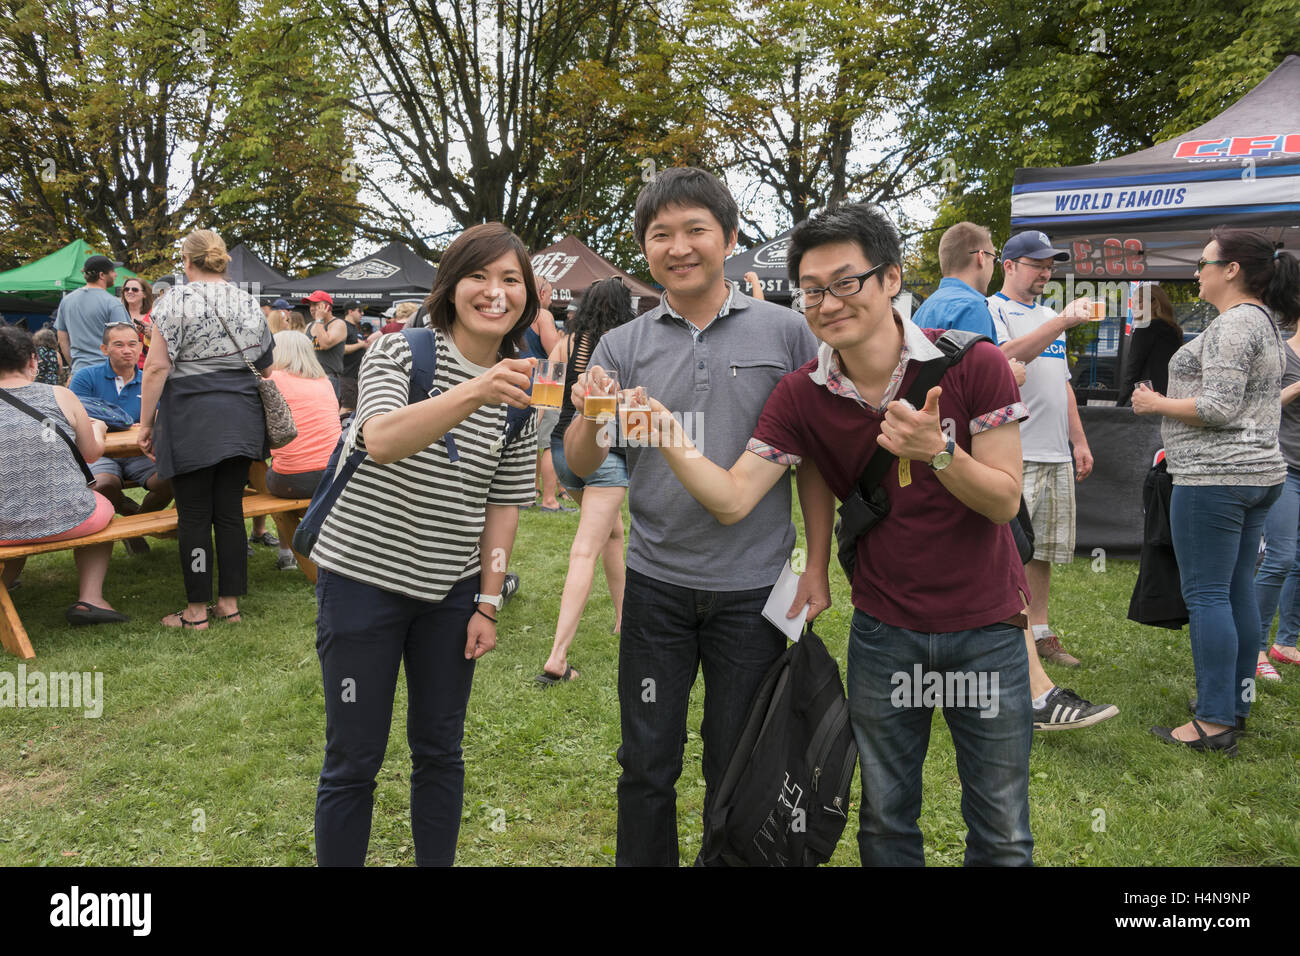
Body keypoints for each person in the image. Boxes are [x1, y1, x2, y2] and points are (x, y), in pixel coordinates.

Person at [644, 202, 1035, 865]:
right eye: (812, 290)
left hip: (988, 629)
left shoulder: (974, 365)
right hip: (884, 631)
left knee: (1001, 831)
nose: (828, 302)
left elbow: (1004, 502)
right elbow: (738, 497)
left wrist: (936, 450)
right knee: (885, 825)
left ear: (890, 280)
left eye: (845, 282)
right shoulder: (803, 395)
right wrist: (671, 438)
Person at [564, 167, 830, 866]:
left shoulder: (790, 334)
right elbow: (582, 464)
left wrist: (818, 566)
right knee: (646, 761)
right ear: (644, 251)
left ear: (730, 239)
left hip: (755, 587)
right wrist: (594, 416)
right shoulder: (624, 344)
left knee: (738, 762)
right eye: (660, 235)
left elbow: (817, 462)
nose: (678, 247)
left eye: (694, 230)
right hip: (655, 586)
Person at [309, 222, 540, 867]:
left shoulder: (524, 395)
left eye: (511, 280)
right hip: (362, 581)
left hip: (450, 593)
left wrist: (488, 602)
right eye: (479, 276)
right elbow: (380, 440)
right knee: (353, 758)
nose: (495, 293)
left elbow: (503, 506)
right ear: (451, 284)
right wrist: (475, 390)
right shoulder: (400, 354)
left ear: (527, 295)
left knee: (440, 750)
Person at [1134, 228, 1300, 754]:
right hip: (1257, 476)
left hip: (1216, 479)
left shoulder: (1235, 325)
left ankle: (1211, 722)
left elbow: (1218, 407)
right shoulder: (1264, 323)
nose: (1197, 271)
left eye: (1205, 262)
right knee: (1235, 593)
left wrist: (1155, 404)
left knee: (1207, 596)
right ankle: (1235, 705)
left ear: (1232, 270)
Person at [137, 228, 274, 630]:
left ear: (187, 260)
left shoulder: (174, 300)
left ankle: (196, 611)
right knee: (230, 512)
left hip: (192, 415)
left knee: (194, 514)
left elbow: (158, 367)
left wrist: (145, 424)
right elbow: (267, 367)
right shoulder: (249, 301)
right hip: (242, 414)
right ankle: (228, 605)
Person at [988, 234, 1095, 669]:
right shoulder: (993, 309)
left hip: (1054, 452)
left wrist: (1080, 440)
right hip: (1015, 450)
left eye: (1050, 265)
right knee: (1008, 548)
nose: (1046, 272)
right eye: (1036, 264)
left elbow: (1061, 383)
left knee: (1045, 550)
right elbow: (1002, 361)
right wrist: (1061, 323)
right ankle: (1005, 631)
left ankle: (1040, 631)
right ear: (1009, 265)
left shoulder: (1050, 314)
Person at [536, 277, 634, 685]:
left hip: (564, 453)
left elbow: (543, 396)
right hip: (606, 454)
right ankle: (557, 658)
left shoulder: (567, 340)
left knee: (613, 530)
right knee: (584, 550)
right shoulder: (627, 341)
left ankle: (623, 619)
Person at [0, 325, 127, 625]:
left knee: (19, 504)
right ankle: (90, 598)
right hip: (69, 517)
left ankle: (7, 582)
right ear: (33, 361)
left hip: (4, 524)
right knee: (103, 509)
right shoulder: (60, 395)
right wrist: (99, 428)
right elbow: (92, 453)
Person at [69, 324, 173, 547]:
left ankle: (133, 528)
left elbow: (163, 417)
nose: (127, 350)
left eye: (133, 344)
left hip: (140, 451)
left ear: (140, 348)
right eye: (119, 345)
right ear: (104, 349)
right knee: (103, 484)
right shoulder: (85, 377)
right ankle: (132, 518)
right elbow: (76, 418)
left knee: (171, 479)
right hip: (99, 453)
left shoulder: (151, 380)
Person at [265, 330, 341, 569]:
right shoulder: (325, 382)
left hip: (292, 480)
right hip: (332, 475)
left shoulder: (271, 380)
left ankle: (286, 553)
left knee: (261, 469)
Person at [1254, 318, 1300, 681]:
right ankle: (1253, 648)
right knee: (1280, 557)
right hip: (1285, 467)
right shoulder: (1282, 355)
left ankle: (1285, 643)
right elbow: (1263, 406)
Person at [524, 278, 568, 512]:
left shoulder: (517, 312)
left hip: (520, 377)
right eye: (550, 295)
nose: (551, 301)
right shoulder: (542, 315)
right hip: (546, 378)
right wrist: (562, 340)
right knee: (550, 441)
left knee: (528, 440)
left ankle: (529, 492)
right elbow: (554, 351)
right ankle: (549, 500)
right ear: (541, 293)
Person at [54, 255, 131, 373]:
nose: (115, 275)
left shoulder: (67, 301)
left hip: (78, 371)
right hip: (107, 371)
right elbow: (124, 338)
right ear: (101, 275)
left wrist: (73, 364)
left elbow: (62, 337)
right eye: (112, 271)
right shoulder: (112, 303)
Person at [1117, 283, 1182, 406]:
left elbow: (1133, 370)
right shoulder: (1174, 330)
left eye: (1139, 302)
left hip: (1145, 396)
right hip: (1168, 396)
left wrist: (1119, 404)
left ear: (1154, 303)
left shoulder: (1145, 328)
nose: (1135, 307)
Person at [305, 291, 345, 399]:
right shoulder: (309, 325)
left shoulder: (338, 324)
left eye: (315, 304)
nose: (312, 308)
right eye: (310, 305)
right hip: (309, 377)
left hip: (328, 378)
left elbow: (325, 344)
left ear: (327, 307)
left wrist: (319, 320)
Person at [338, 300, 368, 416]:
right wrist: (360, 345)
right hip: (347, 376)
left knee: (353, 407)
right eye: (359, 311)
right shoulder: (343, 326)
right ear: (350, 311)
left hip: (355, 376)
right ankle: (338, 433)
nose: (362, 314)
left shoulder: (354, 328)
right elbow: (341, 348)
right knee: (347, 408)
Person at [119, 276, 154, 370]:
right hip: (120, 367)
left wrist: (152, 335)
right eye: (126, 289)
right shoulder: (117, 313)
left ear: (145, 294)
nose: (130, 292)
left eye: (135, 290)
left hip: (146, 368)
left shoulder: (154, 315)